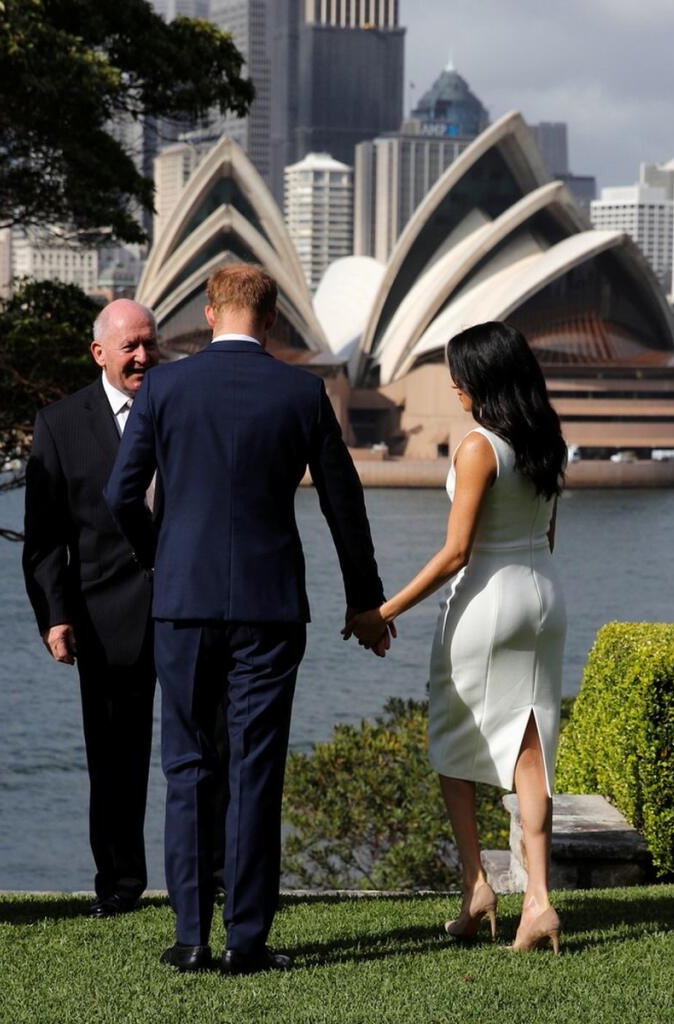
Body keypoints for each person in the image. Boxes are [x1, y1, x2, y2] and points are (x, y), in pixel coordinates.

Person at [105, 264, 388, 974]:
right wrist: (365, 601)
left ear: (208, 314)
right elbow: (342, 506)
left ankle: (191, 935)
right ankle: (247, 940)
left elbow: (120, 495)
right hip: (270, 608)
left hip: (182, 603)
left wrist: (159, 560)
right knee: (255, 767)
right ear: (271, 319)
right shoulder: (302, 392)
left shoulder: (165, 387)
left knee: (188, 764)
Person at [346, 321, 568, 954]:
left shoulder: (477, 446)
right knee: (531, 747)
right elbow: (549, 535)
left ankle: (477, 885)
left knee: (453, 735)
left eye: (459, 374)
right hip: (545, 597)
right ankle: (540, 901)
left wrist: (380, 611)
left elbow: (455, 553)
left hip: (487, 603)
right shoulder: (550, 440)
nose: (452, 384)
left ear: (483, 379)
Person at [23, 299, 220, 918]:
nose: (142, 356)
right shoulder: (59, 423)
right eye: (129, 346)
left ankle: (209, 877)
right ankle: (118, 885)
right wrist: (55, 615)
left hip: (193, 606)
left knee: (206, 752)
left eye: (149, 343)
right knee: (114, 763)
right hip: (104, 619)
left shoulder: (185, 403)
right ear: (99, 352)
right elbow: (45, 537)